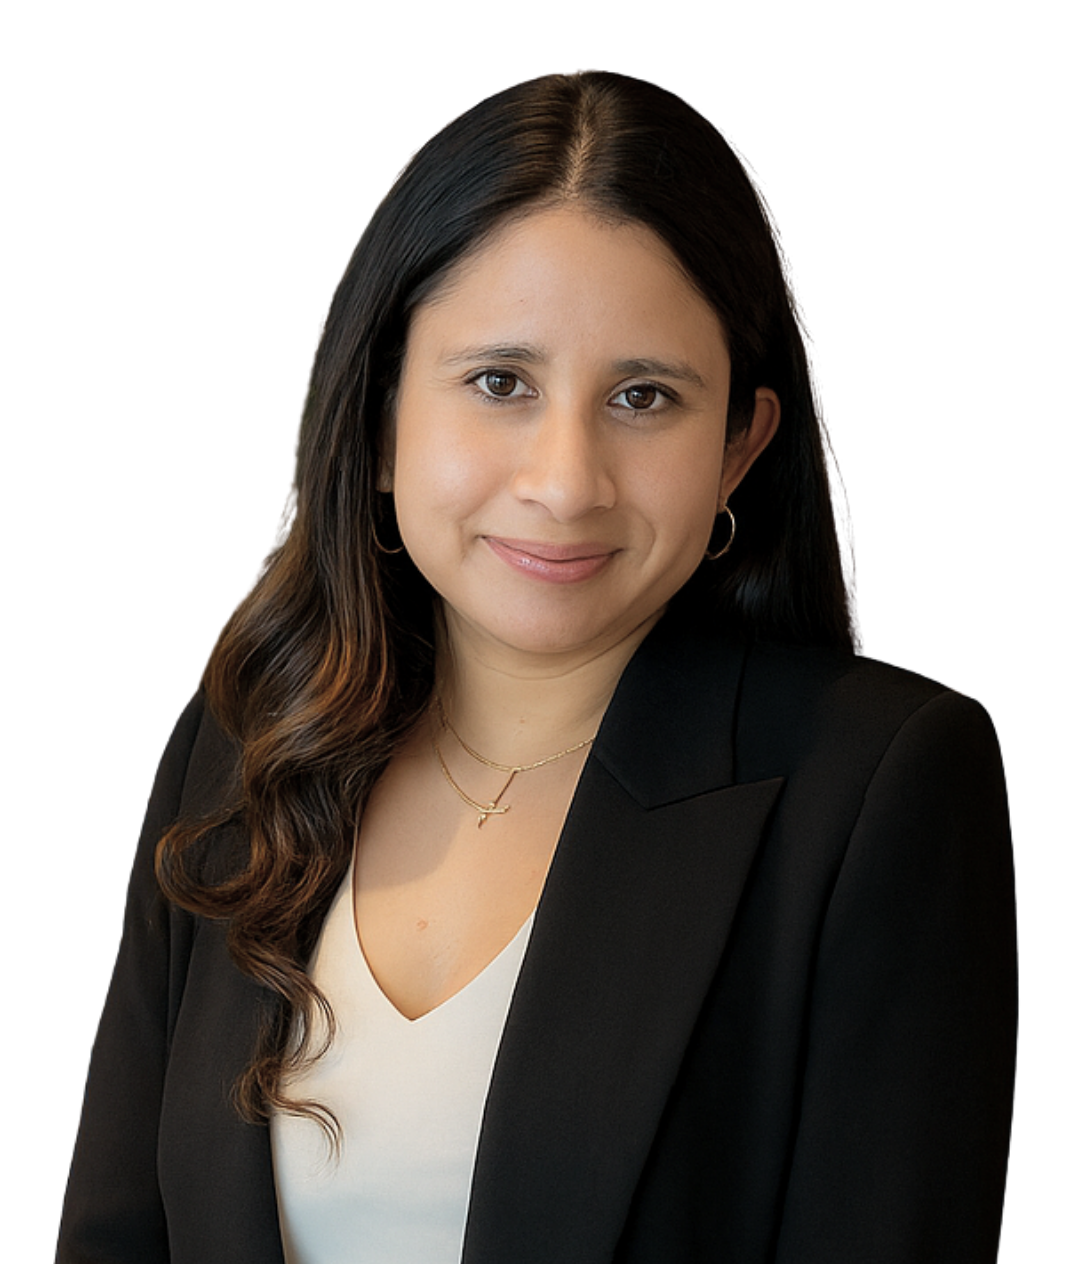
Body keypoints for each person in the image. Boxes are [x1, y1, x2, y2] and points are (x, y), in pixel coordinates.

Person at [57, 70, 1014, 1264]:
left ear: (738, 448)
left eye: (645, 396)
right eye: (499, 382)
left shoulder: (872, 786)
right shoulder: (248, 735)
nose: (566, 480)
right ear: (378, 420)